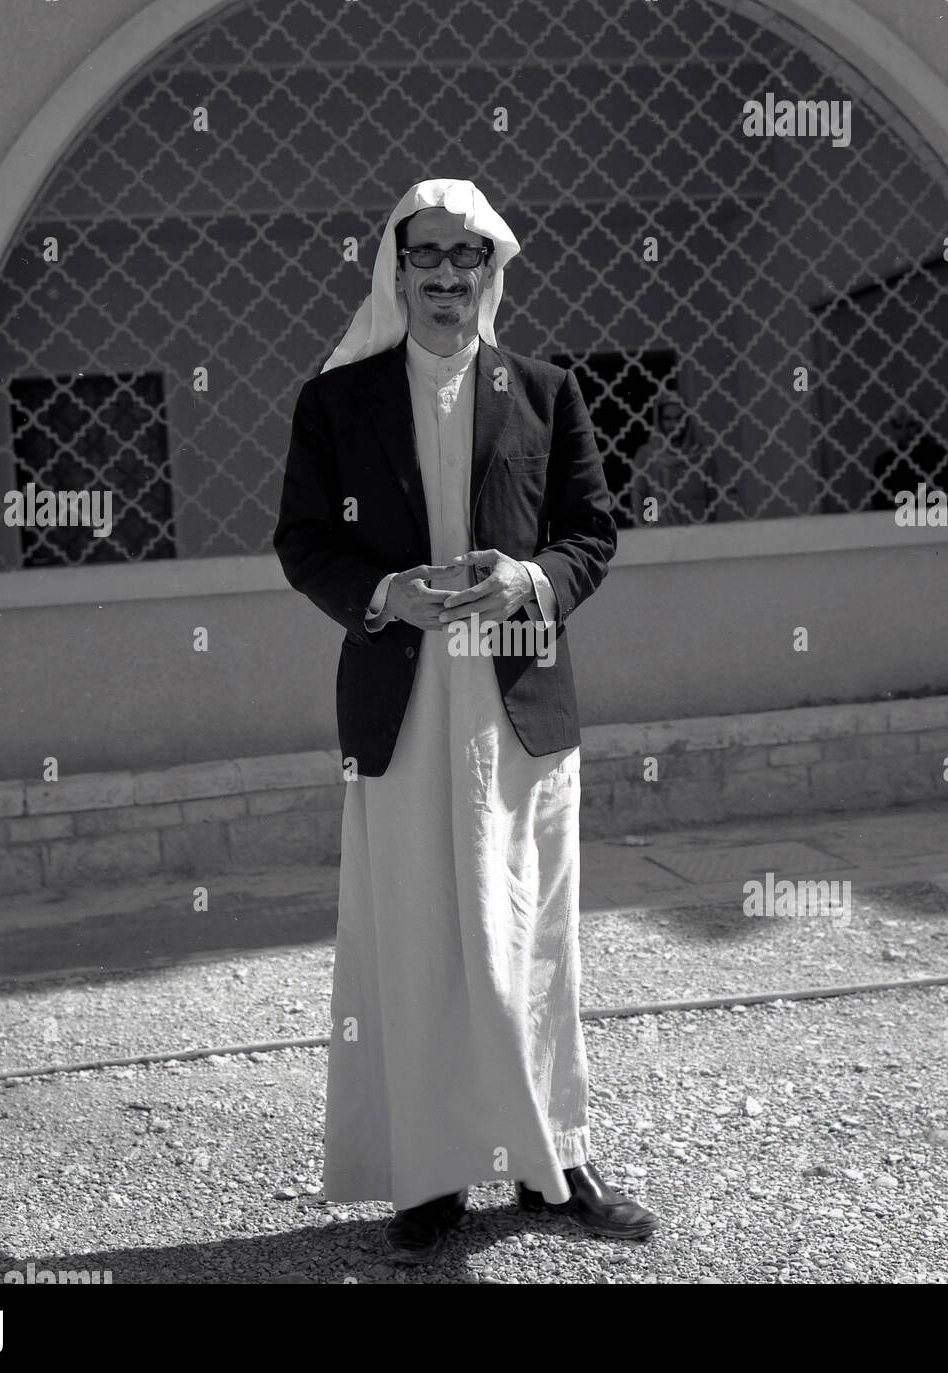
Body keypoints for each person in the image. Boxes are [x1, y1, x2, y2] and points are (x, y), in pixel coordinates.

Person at [273, 178, 658, 1264]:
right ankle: (431, 1173)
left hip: (517, 709)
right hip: (400, 708)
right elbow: (304, 542)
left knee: (530, 941)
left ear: (493, 270)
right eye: (429, 255)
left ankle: (554, 1163)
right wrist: (385, 592)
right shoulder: (336, 402)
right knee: (419, 936)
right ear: (395, 270)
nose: (449, 274)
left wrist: (529, 579)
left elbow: (592, 532)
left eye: (469, 256)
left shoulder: (544, 390)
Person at [630, 395, 712, 526]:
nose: (674, 425)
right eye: (667, 419)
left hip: (697, 534)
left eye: (679, 418)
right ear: (659, 421)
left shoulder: (701, 455)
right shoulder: (646, 455)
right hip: (660, 536)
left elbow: (712, 500)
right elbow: (638, 500)